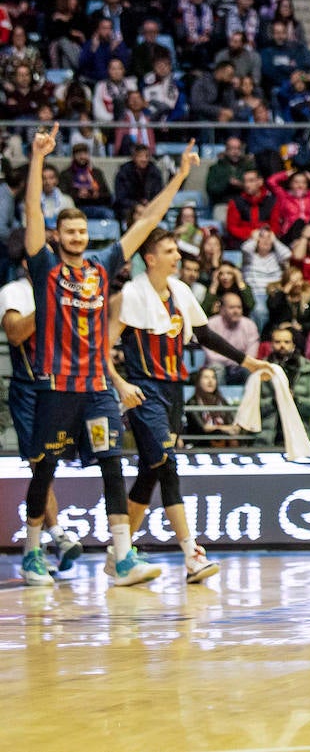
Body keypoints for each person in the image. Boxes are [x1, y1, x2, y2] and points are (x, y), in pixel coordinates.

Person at [22, 129, 199, 588]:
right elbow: (32, 215)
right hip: (57, 387)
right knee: (45, 468)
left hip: (97, 389)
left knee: (112, 463)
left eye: (82, 230)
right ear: (58, 237)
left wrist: (180, 175)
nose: (77, 236)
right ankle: (32, 551)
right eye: (70, 231)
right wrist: (39, 158)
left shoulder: (103, 266)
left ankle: (122, 557)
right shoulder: (45, 268)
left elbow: (148, 221)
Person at [108, 227, 270, 584]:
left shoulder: (180, 291)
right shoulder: (132, 294)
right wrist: (120, 384)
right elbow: (103, 348)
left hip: (175, 391)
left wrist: (248, 362)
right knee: (168, 465)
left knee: (151, 471)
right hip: (145, 390)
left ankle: (118, 555)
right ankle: (192, 554)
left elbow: (205, 335)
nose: (177, 257)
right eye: (169, 251)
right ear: (150, 258)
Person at [1, 273, 86, 579]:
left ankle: (54, 538)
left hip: (59, 387)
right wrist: (47, 306)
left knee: (47, 467)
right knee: (40, 466)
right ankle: (43, 544)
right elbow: (14, 333)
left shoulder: (66, 293)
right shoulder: (15, 291)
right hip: (28, 391)